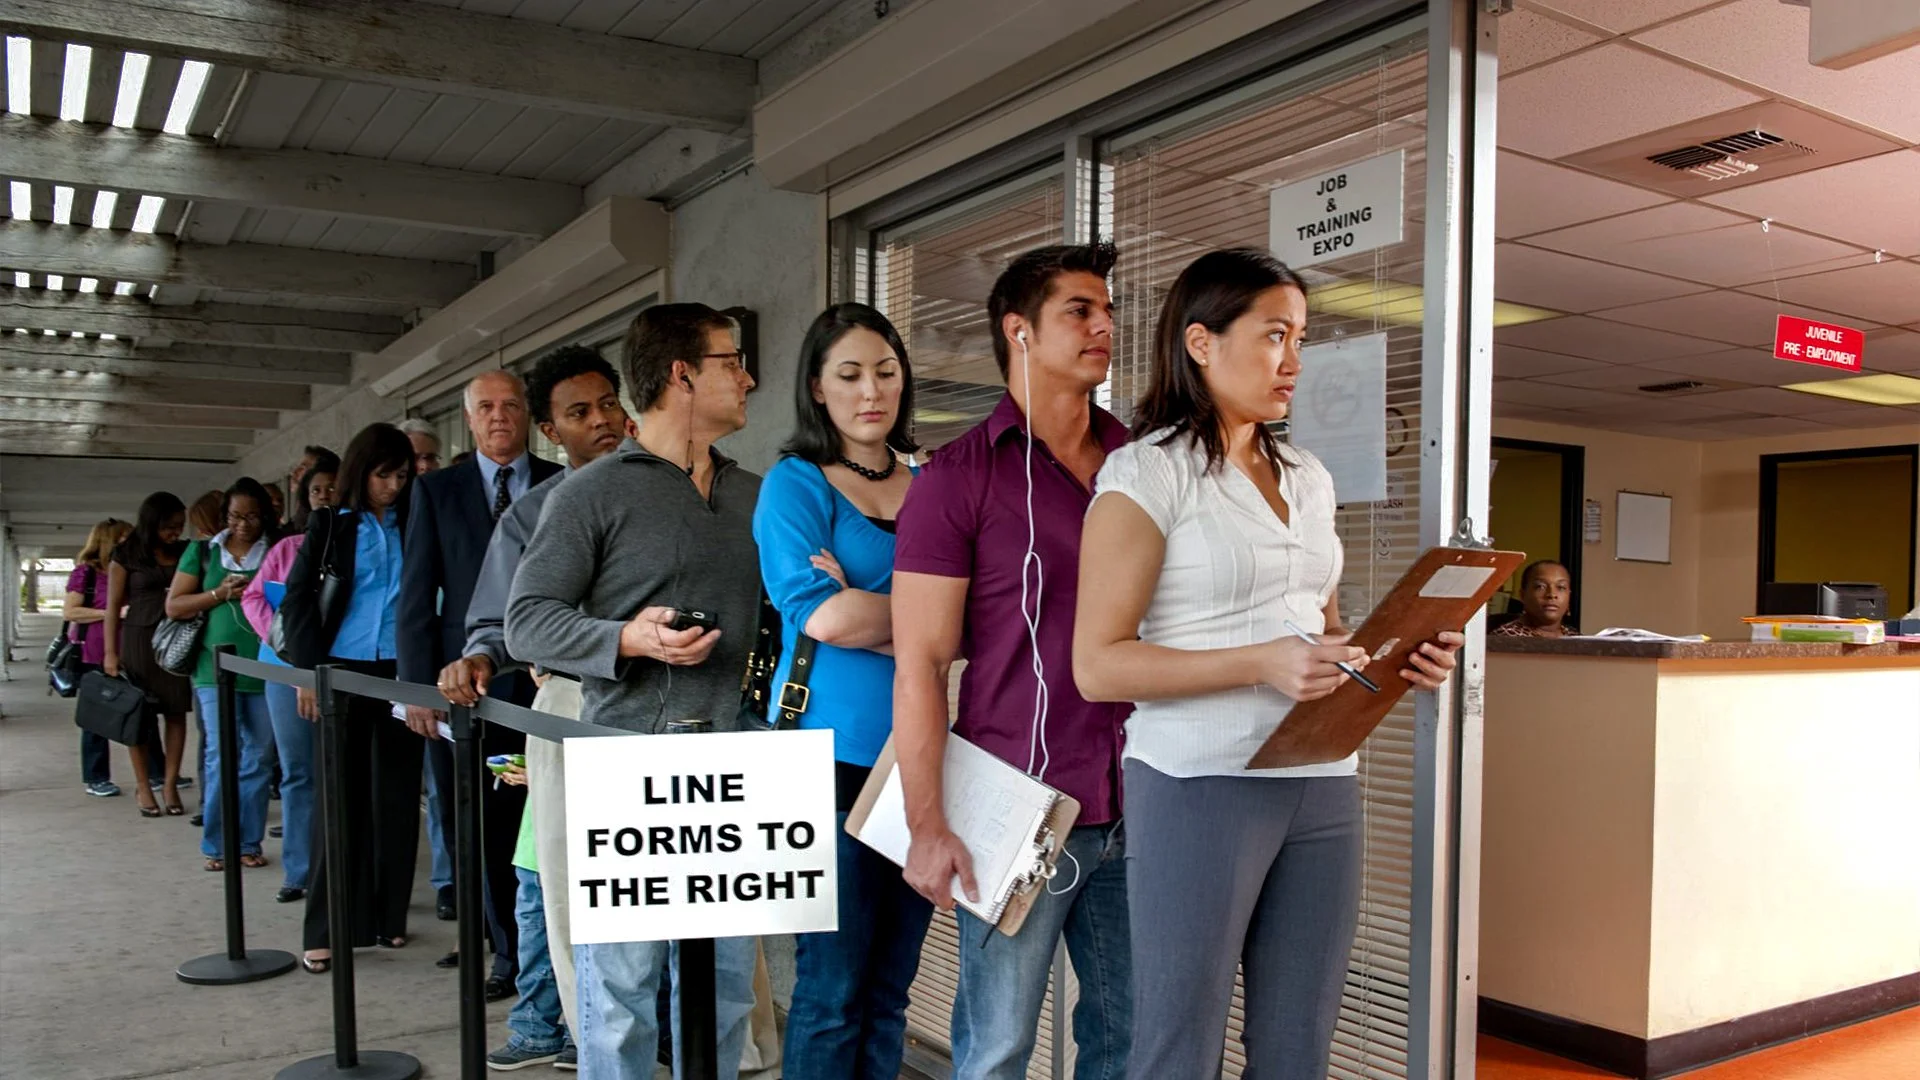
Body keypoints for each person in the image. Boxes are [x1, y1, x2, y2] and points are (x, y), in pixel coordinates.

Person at [1071, 248, 1463, 1078]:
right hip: (1198, 780)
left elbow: (1322, 633)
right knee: (1179, 1046)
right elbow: (1098, 667)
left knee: (1298, 1046)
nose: (1293, 360)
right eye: (1274, 334)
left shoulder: (1308, 477)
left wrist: (1396, 657)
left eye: (1302, 338)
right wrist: (1262, 663)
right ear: (1201, 342)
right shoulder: (1148, 472)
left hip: (1320, 780)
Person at [891, 243, 1133, 1080]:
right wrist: (928, 826)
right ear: (1018, 331)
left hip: (1142, 798)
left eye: (1107, 310)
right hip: (1018, 806)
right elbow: (920, 663)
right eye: (1079, 310)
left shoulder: (1145, 467)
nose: (1104, 325)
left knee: (1130, 1044)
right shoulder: (956, 479)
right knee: (996, 1048)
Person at [506, 302, 760, 1080]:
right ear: (682, 373)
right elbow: (526, 623)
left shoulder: (759, 493)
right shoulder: (588, 495)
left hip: (739, 762)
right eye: (732, 361)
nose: (748, 377)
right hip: (628, 760)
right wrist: (627, 638)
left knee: (722, 990)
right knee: (620, 994)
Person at [438, 345, 629, 1072]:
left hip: (665, 714)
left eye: (608, 403)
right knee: (552, 883)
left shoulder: (676, 487)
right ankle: (572, 1033)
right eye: (579, 413)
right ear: (551, 432)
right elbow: (498, 621)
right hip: (569, 715)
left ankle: (641, 1030)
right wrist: (481, 659)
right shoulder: (535, 512)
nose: (601, 421)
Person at [754, 303, 932, 1079]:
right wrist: (929, 620)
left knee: (891, 991)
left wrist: (876, 612)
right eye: (850, 374)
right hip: (826, 758)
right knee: (831, 991)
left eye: (886, 373)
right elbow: (821, 615)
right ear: (817, 390)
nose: (872, 391)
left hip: (922, 758)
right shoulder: (793, 485)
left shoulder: (933, 482)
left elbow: (986, 614)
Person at [400, 370, 562, 996]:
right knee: (484, 820)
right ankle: (506, 955)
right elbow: (416, 596)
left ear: (530, 415)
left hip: (545, 681)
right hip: (463, 686)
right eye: (486, 408)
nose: (499, 417)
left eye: (511, 405)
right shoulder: (437, 492)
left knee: (540, 818)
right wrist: (415, 691)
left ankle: (551, 953)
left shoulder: (560, 483)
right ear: (469, 419)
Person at [280, 422, 419, 974]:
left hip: (401, 671)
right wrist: (311, 673)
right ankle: (325, 928)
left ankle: (387, 919)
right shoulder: (330, 524)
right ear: (360, 473)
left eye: (402, 476)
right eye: (383, 475)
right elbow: (297, 602)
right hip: (339, 670)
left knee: (396, 798)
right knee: (338, 803)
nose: (392, 485)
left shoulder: (416, 520)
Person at [243, 450, 340, 902]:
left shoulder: (359, 545)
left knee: (341, 771)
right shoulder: (287, 548)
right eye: (317, 490)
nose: (325, 496)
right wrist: (286, 645)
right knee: (299, 772)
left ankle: (340, 866)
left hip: (342, 671)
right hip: (284, 669)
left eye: (333, 489)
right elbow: (253, 599)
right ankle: (299, 871)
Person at [167, 477, 278, 872]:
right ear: (223, 516)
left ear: (265, 514)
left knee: (260, 758)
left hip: (267, 668)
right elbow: (174, 605)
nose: (243, 525)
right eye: (234, 516)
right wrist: (220, 594)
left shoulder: (277, 551)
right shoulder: (202, 552)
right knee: (221, 752)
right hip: (213, 670)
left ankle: (247, 841)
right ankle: (216, 844)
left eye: (251, 516)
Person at [104, 492, 196, 818]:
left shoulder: (186, 551)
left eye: (179, 526)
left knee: (175, 712)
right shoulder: (126, 554)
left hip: (178, 641)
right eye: (169, 526)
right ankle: (144, 786)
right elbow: (113, 607)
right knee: (139, 718)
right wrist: (110, 653)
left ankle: (169, 783)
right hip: (139, 640)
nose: (175, 532)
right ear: (152, 522)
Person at [63, 517, 144, 798]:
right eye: (125, 538)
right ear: (110, 540)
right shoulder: (86, 573)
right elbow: (71, 612)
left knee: (143, 712)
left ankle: (155, 773)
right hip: (92, 653)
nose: (131, 542)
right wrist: (111, 613)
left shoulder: (131, 569)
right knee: (96, 718)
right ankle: (96, 777)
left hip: (132, 651)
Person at [1494, 561, 1577, 637]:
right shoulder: (1506, 637)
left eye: (1561, 587)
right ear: (1522, 595)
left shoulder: (1575, 637)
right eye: (1540, 587)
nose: (1552, 594)